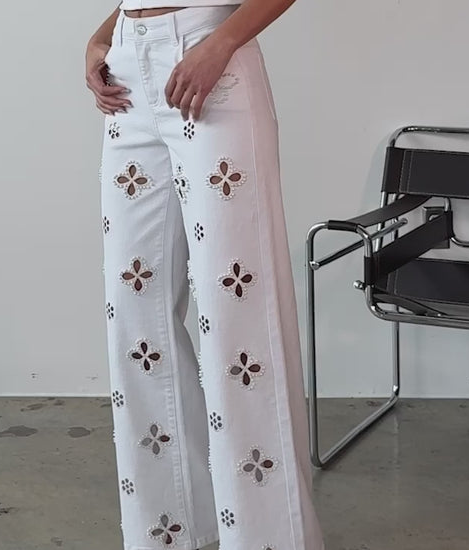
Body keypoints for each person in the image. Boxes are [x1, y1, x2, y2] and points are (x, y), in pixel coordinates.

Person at [85, 0, 326, 549]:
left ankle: (269, 538)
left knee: (237, 307)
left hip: (212, 59)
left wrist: (222, 42)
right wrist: (102, 37)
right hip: (127, 71)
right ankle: (171, 531)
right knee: (135, 308)